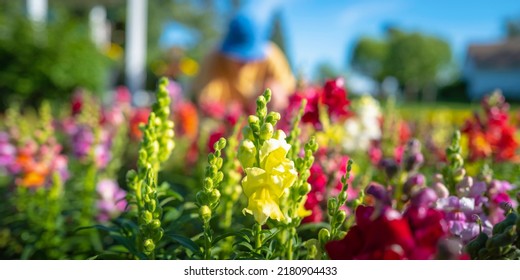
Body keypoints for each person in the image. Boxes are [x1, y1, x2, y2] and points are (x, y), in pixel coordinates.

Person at [192, 4, 295, 112]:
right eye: (238, 55)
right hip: (226, 119)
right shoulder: (214, 58)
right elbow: (205, 101)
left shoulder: (271, 56)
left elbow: (288, 90)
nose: (244, 62)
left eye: (250, 57)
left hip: (261, 117)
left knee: (276, 90)